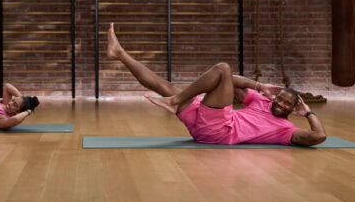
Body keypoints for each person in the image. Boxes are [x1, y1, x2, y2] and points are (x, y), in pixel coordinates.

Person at [106, 23, 326, 147]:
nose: (280, 104)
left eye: (287, 104)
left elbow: (319, 137)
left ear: (293, 109)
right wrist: (260, 86)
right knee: (163, 85)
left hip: (221, 131)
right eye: (280, 99)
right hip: (208, 125)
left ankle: (175, 101)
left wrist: (308, 113)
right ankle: (119, 53)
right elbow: (231, 82)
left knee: (222, 68)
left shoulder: (286, 130)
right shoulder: (261, 101)